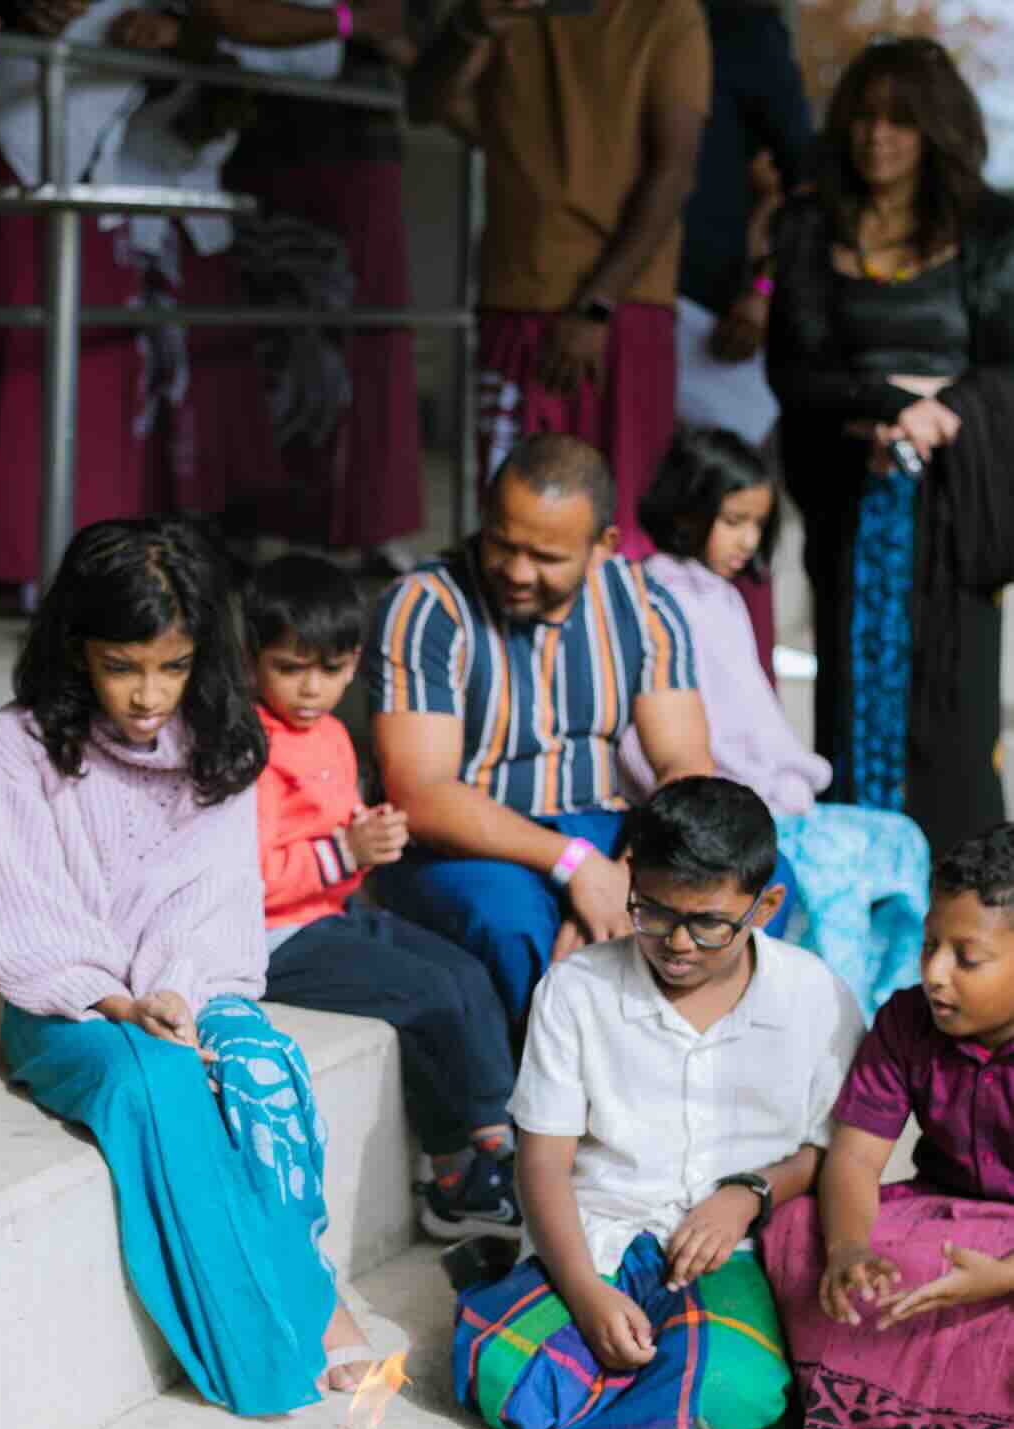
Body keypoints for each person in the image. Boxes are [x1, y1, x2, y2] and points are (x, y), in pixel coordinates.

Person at [0, 519, 379, 1409]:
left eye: (172, 665)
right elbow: (27, 917)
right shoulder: (21, 745)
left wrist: (175, 994)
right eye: (121, 666)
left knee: (261, 1063)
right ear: (76, 649)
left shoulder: (220, 741)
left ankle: (304, 1282)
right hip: (68, 1006)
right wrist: (119, 1003)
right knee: (157, 1082)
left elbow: (212, 901)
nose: (149, 694)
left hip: (182, 987)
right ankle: (273, 1350)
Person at [450, 777, 865, 1429]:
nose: (676, 942)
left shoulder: (815, 996)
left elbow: (832, 1147)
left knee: (731, 1394)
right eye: (651, 912)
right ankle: (577, 1348)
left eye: (707, 923)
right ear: (629, 884)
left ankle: (587, 1378)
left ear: (765, 906)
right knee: (501, 1377)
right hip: (598, 1234)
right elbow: (543, 1162)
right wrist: (584, 1293)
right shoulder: (576, 989)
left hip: (726, 1252)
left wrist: (749, 1194)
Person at [363, 431, 796, 1029]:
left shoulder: (644, 605)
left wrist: (629, 871)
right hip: (468, 841)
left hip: (606, 825)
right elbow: (421, 792)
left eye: (546, 558)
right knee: (514, 924)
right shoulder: (427, 606)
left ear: (602, 547)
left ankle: (695, 1067)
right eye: (501, 544)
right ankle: (550, 1109)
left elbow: (684, 763)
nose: (517, 571)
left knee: (757, 879)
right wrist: (575, 866)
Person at [0, 0, 279, 599]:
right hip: (12, 138)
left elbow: (245, 29)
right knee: (24, 359)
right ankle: (24, 563)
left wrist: (184, 38)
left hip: (86, 162)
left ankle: (88, 558)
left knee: (88, 369)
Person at [768, 36, 1014, 856]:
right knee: (851, 692)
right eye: (864, 119)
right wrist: (882, 408)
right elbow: (794, 368)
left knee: (954, 711)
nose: (878, 137)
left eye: (900, 122)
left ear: (934, 130)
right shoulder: (806, 225)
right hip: (851, 491)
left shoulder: (992, 229)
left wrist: (948, 408)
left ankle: (968, 903)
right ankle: (861, 892)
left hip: (955, 508)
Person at [247, 552, 521, 1239]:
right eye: (289, 667)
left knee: (462, 969)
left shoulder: (333, 734)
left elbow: (337, 850)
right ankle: (462, 1170)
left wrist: (368, 836)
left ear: (354, 662)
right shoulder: (249, 743)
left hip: (329, 912)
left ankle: (499, 1130)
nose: (312, 689)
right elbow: (246, 878)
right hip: (270, 938)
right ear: (249, 659)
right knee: (424, 994)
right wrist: (344, 851)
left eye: (332, 670)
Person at [621, 427, 930, 1020]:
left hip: (779, 798)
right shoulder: (656, 596)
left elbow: (758, 724)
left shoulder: (724, 596)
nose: (748, 540)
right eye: (733, 520)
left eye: (757, 524)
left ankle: (892, 1022)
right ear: (690, 508)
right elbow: (673, 744)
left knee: (900, 841)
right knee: (836, 873)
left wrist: (791, 784)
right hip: (733, 812)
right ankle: (837, 1032)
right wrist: (775, 793)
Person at [408, 0, 710, 550]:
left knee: (625, 536)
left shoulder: (666, 15)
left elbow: (674, 171)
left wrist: (597, 305)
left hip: (621, 311)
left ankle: (614, 639)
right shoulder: (503, 14)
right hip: (517, 302)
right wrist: (472, 24)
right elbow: (424, 104)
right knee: (510, 530)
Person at [762, 825, 1014, 1429]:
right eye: (929, 945)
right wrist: (849, 1248)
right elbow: (854, 1156)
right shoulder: (905, 1020)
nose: (933, 973)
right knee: (796, 1229)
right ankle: (876, 1396)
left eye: (966, 957)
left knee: (948, 1275)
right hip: (944, 1210)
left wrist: (1000, 1277)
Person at [227, 2, 423, 572]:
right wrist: (348, 21)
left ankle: (368, 521)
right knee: (260, 334)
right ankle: (250, 516)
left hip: (359, 145)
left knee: (366, 337)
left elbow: (423, 57)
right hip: (255, 134)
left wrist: (371, 32)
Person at [674, 0, 815, 675]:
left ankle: (741, 688)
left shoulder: (740, 27)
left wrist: (762, 292)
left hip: (712, 329)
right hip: (599, 310)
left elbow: (805, 185)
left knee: (731, 516)